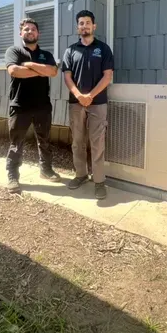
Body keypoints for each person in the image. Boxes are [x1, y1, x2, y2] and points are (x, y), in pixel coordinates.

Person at [61, 10, 114, 200]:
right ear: (78, 28)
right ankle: (81, 175)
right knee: (77, 142)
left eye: (87, 23)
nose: (84, 26)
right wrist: (79, 95)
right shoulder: (70, 50)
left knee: (97, 143)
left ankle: (99, 181)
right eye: (81, 23)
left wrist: (90, 95)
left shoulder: (104, 48)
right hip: (76, 104)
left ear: (94, 26)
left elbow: (108, 76)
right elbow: (67, 76)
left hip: (98, 103)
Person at [4, 18, 61, 193]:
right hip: (20, 106)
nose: (30, 32)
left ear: (38, 33)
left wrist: (29, 65)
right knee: (16, 143)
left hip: (42, 106)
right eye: (26, 29)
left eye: (33, 29)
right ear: (21, 33)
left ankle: (46, 169)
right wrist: (40, 70)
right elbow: (14, 71)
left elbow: (53, 72)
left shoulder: (46, 54)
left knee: (44, 140)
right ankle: (13, 175)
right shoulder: (14, 51)